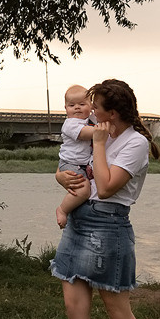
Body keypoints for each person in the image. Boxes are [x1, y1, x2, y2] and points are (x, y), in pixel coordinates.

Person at [50, 78, 160, 319]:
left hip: (108, 225)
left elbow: (108, 186)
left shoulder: (134, 143)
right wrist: (60, 178)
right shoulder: (97, 131)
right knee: (74, 308)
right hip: (79, 221)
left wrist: (99, 142)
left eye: (96, 108)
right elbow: (70, 166)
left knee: (117, 311)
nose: (90, 113)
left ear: (112, 113)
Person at [55, 84, 98, 229]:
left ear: (91, 106)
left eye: (82, 104)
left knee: (84, 187)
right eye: (72, 105)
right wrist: (105, 129)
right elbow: (86, 133)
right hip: (70, 163)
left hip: (81, 163)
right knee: (83, 189)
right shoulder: (70, 124)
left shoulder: (91, 119)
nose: (77, 108)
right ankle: (62, 209)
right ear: (66, 109)